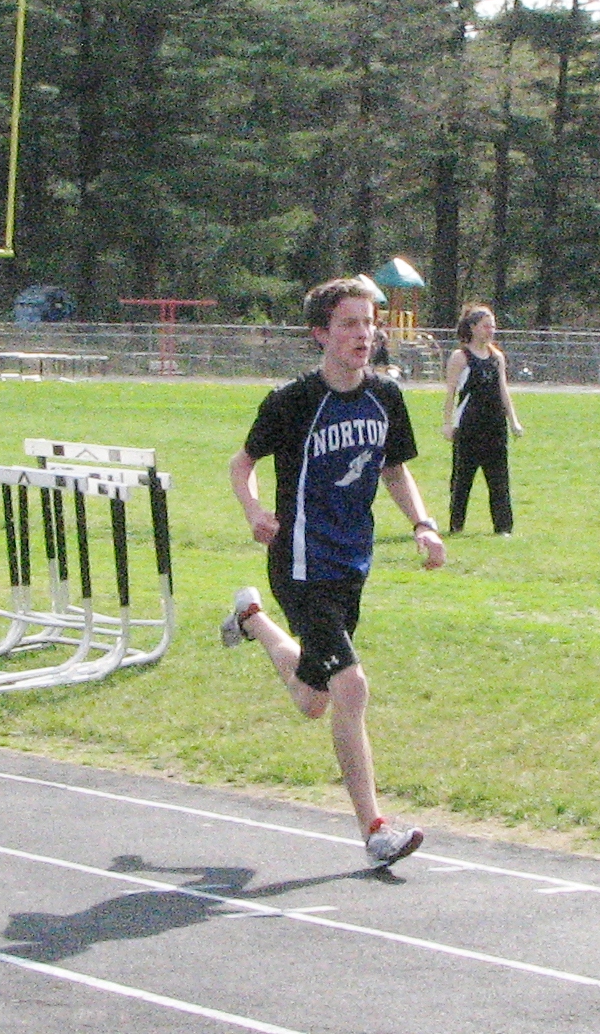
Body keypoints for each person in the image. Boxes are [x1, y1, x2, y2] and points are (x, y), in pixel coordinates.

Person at [222, 277, 446, 868]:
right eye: (348, 324)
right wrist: (253, 512)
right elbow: (240, 465)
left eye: (369, 323)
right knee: (353, 687)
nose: (363, 334)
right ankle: (375, 828)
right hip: (299, 561)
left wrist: (422, 523)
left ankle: (252, 621)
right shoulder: (291, 402)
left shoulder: (386, 398)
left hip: (352, 562)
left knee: (313, 701)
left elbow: (394, 469)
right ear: (321, 333)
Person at [441, 304, 524, 535]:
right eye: (486, 326)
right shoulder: (461, 357)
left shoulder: (497, 357)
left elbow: (503, 390)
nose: (491, 330)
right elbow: (450, 393)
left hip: (495, 426)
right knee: (462, 480)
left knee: (499, 480)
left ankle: (503, 528)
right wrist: (447, 424)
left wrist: (513, 421)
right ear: (473, 327)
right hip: (469, 427)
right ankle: (456, 526)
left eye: (493, 326)